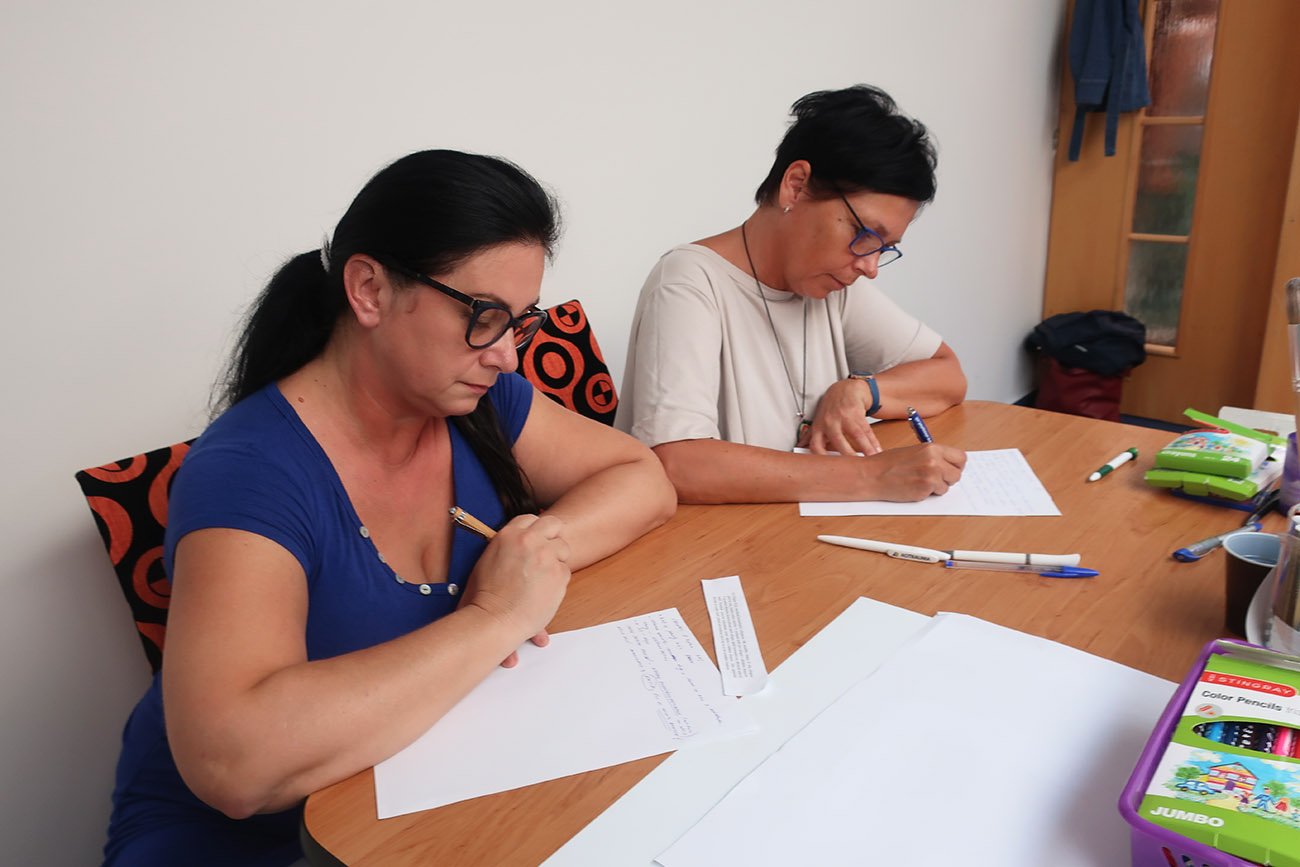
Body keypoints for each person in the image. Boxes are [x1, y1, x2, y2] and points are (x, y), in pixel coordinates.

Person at [102, 150, 677, 865]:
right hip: (266, 844)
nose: (507, 355)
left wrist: (530, 550)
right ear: (369, 290)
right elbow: (234, 765)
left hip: (428, 785)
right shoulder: (249, 473)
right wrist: (495, 616)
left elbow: (642, 478)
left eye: (518, 321)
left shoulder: (476, 402)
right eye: (483, 316)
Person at [616, 85, 968, 504]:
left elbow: (947, 375)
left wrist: (860, 391)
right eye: (865, 235)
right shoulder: (688, 281)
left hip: (792, 530)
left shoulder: (832, 284)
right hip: (716, 536)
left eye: (884, 247)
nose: (870, 266)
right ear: (796, 186)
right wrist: (873, 476)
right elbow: (678, 463)